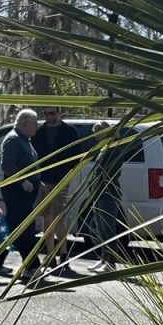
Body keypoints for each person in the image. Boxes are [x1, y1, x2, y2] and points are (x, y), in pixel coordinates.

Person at [32, 107, 81, 266]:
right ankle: (50, 255)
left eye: (52, 113)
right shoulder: (38, 131)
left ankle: (64, 253)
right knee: (46, 217)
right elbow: (34, 156)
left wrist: (67, 175)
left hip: (61, 179)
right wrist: (37, 178)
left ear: (59, 113)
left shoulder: (69, 131)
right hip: (43, 180)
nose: (49, 116)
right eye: (46, 113)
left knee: (58, 217)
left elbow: (76, 156)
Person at [85, 121, 132, 274]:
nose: (96, 136)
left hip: (108, 192)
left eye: (98, 133)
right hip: (98, 192)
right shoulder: (103, 148)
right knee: (99, 227)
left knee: (107, 227)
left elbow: (111, 170)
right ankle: (104, 258)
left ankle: (111, 262)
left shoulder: (115, 148)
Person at [0, 108, 40, 273]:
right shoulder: (13, 140)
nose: (36, 127)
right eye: (34, 123)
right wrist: (23, 181)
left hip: (26, 192)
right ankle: (32, 266)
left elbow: (29, 163)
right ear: (25, 124)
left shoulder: (25, 139)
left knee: (11, 227)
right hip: (16, 191)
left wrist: (39, 181)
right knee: (23, 228)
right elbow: (7, 165)